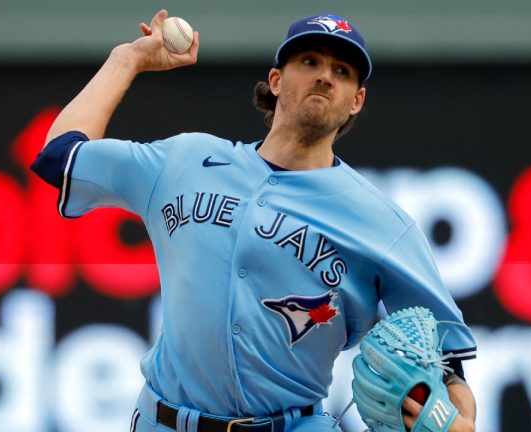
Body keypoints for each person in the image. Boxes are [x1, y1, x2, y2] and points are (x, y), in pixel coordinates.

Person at [31, 9, 477, 432]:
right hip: (164, 420)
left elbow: (448, 361)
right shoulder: (186, 159)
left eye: (343, 72)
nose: (325, 75)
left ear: (356, 101)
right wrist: (125, 60)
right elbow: (58, 157)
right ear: (276, 80)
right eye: (310, 61)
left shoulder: (383, 222)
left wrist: (458, 419)